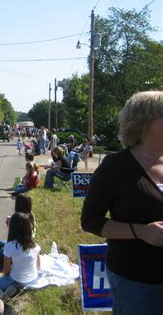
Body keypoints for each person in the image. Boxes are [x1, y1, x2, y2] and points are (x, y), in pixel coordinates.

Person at [81, 91, 163, 315]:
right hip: (137, 280)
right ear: (144, 122)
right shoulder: (115, 167)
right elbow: (90, 221)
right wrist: (142, 232)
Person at [0, 212, 41, 314]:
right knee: (14, 281)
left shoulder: (10, 246)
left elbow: (6, 272)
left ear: (13, 228)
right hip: (32, 279)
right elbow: (38, 267)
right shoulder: (35, 245)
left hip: (16, 279)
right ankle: (12, 291)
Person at [0, 194, 36, 270]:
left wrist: (10, 224)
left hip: (18, 246)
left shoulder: (18, 219)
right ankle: (2, 259)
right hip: (23, 244)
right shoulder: (31, 217)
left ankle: (3, 263)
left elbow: (13, 238)